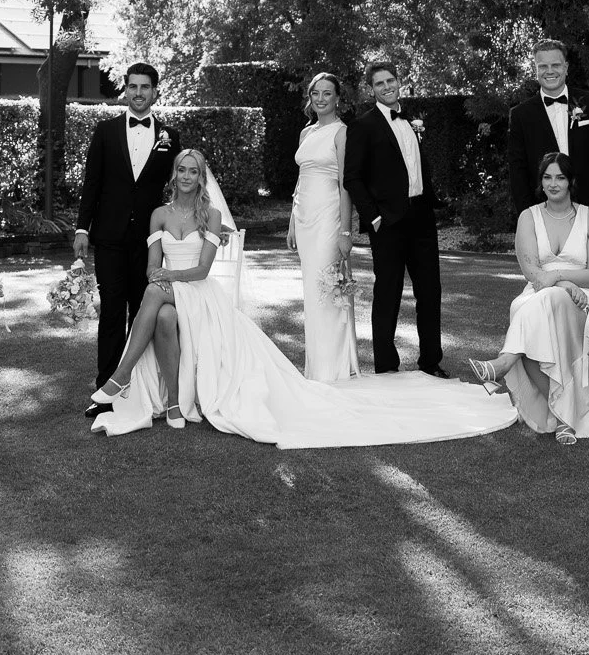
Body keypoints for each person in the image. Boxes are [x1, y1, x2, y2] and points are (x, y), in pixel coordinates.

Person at [91, 150, 515, 449]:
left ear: (201, 178)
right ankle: (171, 405)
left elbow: (201, 271)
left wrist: (167, 277)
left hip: (198, 294)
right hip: (166, 291)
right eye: (181, 170)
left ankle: (121, 375)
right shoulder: (159, 215)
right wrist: (159, 277)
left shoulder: (211, 217)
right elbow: (150, 265)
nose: (186, 177)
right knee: (161, 314)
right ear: (174, 176)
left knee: (154, 296)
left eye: (193, 171)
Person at [507, 37, 589, 401]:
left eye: (555, 64)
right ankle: (551, 375)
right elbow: (516, 170)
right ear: (534, 69)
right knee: (546, 298)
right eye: (541, 65)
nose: (549, 71)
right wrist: (528, 218)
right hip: (547, 219)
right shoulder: (522, 113)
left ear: (566, 67)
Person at [469, 152, 589, 443]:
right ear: (541, 181)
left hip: (587, 296)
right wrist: (556, 283)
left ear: (571, 181)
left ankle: (504, 363)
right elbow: (531, 270)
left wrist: (561, 279)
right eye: (547, 177)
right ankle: (564, 417)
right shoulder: (528, 217)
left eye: (560, 177)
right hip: (540, 291)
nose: (553, 183)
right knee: (523, 305)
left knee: (550, 301)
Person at [73, 61, 179, 414]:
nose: (138, 93)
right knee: (113, 311)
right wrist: (82, 228)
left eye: (144, 87)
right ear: (126, 89)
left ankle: (139, 386)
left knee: (142, 312)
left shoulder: (170, 137)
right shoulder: (105, 131)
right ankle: (106, 390)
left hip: (149, 240)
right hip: (109, 236)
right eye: (132, 86)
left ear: (154, 91)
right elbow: (93, 183)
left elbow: (182, 185)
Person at [343, 58, 446, 377]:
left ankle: (431, 362)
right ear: (371, 89)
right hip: (387, 222)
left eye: (391, 81)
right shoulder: (362, 125)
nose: (387, 87)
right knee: (387, 292)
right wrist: (373, 218)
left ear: (399, 82)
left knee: (430, 291)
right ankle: (386, 364)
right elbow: (353, 178)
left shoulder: (412, 119)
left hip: (422, 218)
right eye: (379, 83)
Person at [287, 69, 358, 381]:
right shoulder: (306, 133)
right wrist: (291, 221)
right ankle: (315, 366)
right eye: (315, 93)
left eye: (327, 93)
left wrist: (346, 231)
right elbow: (300, 180)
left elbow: (346, 184)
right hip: (303, 219)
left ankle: (332, 371)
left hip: (329, 218)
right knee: (310, 291)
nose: (320, 99)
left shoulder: (342, 133)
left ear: (337, 98)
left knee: (325, 290)